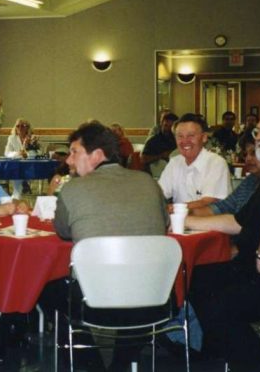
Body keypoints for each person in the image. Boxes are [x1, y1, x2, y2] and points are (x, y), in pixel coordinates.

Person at [47, 122, 168, 370]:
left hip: (96, 302)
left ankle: (90, 363)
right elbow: (164, 224)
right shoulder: (149, 183)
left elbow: (62, 231)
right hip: (154, 299)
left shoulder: (72, 189)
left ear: (97, 155)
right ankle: (122, 362)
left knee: (46, 289)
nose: (69, 161)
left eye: (74, 152)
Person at [189, 110, 260, 372]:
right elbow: (239, 222)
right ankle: (220, 353)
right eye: (257, 132)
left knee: (221, 307)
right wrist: (185, 221)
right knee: (196, 278)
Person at [158, 113, 231, 210]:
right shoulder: (175, 162)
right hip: (179, 221)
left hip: (209, 222)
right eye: (180, 136)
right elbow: (159, 194)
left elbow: (207, 202)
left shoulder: (216, 163)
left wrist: (172, 209)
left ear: (204, 137)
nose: (184, 141)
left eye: (191, 136)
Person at [189, 136, 260, 217]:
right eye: (245, 154)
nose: (248, 158)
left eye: (254, 153)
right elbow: (222, 207)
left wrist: (188, 220)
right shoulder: (250, 180)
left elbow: (243, 222)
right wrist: (184, 212)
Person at [5, 117, 40, 199]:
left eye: (23, 126)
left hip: (31, 165)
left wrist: (28, 154)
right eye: (18, 126)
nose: (20, 128)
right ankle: (21, 189)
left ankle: (18, 193)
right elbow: (7, 153)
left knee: (18, 173)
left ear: (28, 127)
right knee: (16, 171)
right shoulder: (11, 138)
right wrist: (18, 153)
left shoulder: (33, 138)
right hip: (17, 166)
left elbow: (39, 153)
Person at [142, 111, 178, 176]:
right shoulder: (153, 140)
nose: (168, 129)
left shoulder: (178, 140)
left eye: (171, 127)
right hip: (157, 175)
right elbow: (143, 159)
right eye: (166, 126)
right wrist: (161, 155)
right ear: (161, 124)